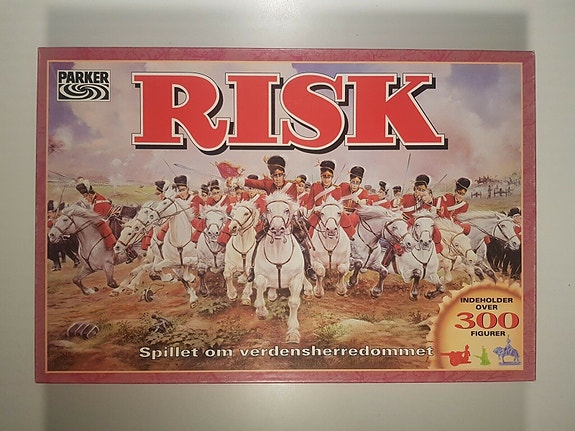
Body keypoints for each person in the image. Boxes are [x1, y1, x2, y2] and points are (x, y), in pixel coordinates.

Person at [229, 155, 317, 282]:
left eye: (280, 175)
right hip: (272, 220)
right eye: (275, 176)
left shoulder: (292, 186)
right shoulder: (268, 184)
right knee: (258, 239)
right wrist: (237, 181)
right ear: (272, 177)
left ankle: (308, 267)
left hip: (288, 221)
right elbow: (253, 183)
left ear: (284, 175)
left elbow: (292, 206)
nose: (277, 178)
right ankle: (253, 268)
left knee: (301, 239)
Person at [304, 160, 355, 240]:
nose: (326, 180)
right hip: (318, 213)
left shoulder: (337, 189)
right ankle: (309, 242)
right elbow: (310, 202)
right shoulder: (315, 186)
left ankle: (349, 237)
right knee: (310, 229)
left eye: (329, 177)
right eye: (324, 177)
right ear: (321, 176)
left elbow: (336, 205)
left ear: (332, 177)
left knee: (345, 220)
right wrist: (309, 211)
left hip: (331, 213)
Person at [75, 178, 117, 250]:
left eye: (85, 196)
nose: (85, 199)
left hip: (108, 223)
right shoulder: (95, 199)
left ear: (89, 195)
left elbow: (96, 219)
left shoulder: (99, 203)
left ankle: (110, 245)